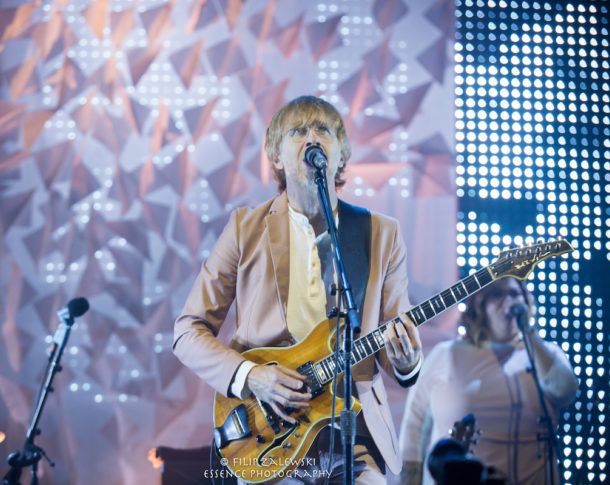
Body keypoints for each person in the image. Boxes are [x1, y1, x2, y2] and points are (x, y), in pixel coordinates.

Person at [172, 95, 423, 484]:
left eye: (323, 129)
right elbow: (187, 330)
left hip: (353, 433)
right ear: (276, 157)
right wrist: (251, 376)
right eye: (297, 131)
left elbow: (389, 346)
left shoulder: (380, 233)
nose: (312, 138)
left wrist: (406, 361)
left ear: (340, 155)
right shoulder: (245, 228)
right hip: (270, 434)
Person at [399, 277, 579, 485]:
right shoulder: (447, 354)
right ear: (480, 305)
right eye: (498, 294)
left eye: (514, 294)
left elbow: (565, 391)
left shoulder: (544, 354)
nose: (508, 301)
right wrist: (409, 480)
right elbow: (414, 424)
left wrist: (528, 334)